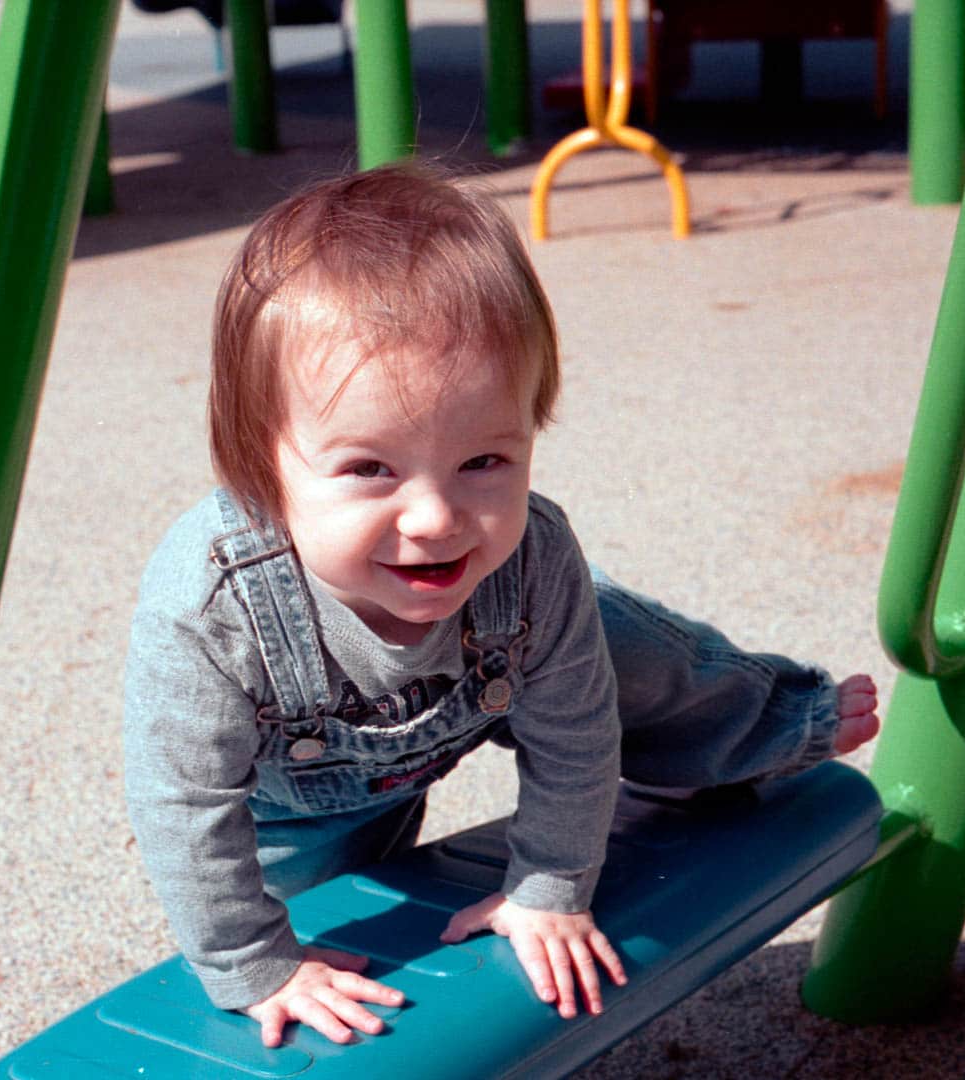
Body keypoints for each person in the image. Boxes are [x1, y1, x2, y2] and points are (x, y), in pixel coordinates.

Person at [123, 163, 880, 1049]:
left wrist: (548, 885)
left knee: (628, 655)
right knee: (301, 966)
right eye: (370, 469)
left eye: (485, 461)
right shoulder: (211, 608)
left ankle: (775, 721)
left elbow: (576, 732)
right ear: (261, 462)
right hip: (301, 792)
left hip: (499, 663)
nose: (438, 520)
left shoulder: (529, 556)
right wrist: (256, 962)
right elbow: (182, 803)